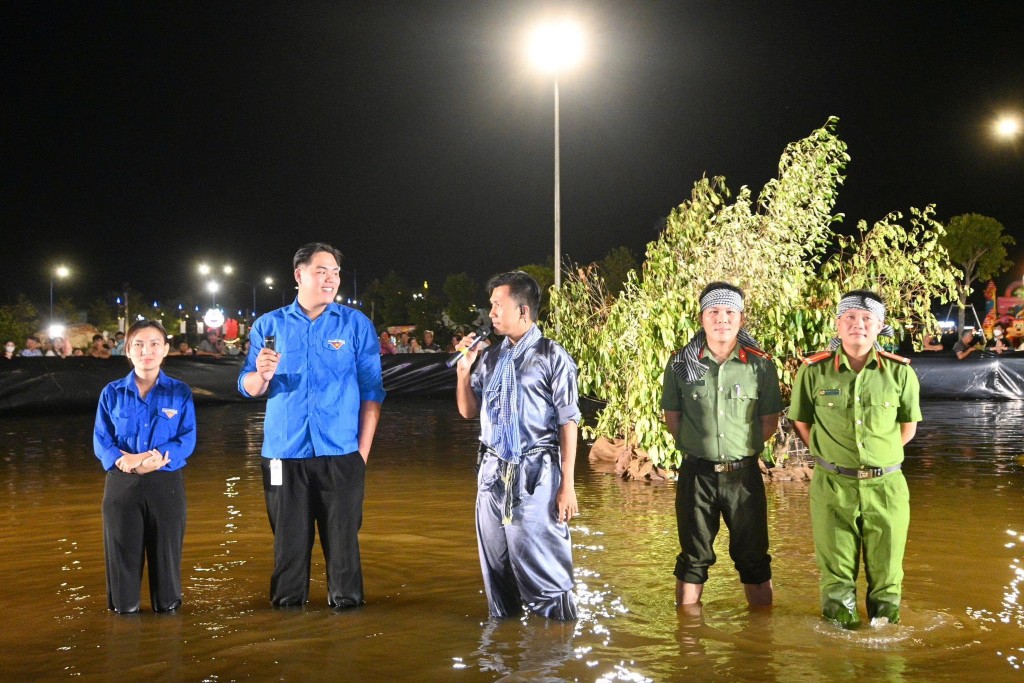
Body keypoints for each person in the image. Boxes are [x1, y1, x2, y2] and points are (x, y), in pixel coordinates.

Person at [239, 242, 384, 608]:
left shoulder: (355, 325)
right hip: (281, 456)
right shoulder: (268, 325)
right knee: (287, 550)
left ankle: (348, 624)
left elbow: (372, 392)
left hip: (342, 455)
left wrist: (360, 455)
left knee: (344, 551)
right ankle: (288, 628)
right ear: (299, 275)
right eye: (322, 271)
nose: (331, 279)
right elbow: (248, 387)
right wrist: (261, 374)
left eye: (335, 273)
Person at [788, 290, 921, 628]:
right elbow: (801, 421)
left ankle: (885, 640)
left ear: (879, 326)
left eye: (866, 319)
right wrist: (830, 454)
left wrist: (880, 459)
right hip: (832, 486)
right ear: (837, 324)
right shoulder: (814, 372)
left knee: (888, 577)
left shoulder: (900, 373)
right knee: (835, 579)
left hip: (887, 488)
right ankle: (841, 647)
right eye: (850, 317)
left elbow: (908, 429)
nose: (858, 325)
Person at [455, 270, 580, 620]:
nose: (491, 313)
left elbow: (569, 422)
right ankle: (505, 645)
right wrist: (464, 372)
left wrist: (567, 486)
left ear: (523, 310)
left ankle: (556, 643)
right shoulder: (492, 358)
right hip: (492, 474)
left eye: (498, 305)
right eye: (491, 305)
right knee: (496, 567)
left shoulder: (552, 355)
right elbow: (468, 411)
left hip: (535, 475)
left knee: (544, 567)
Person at [661, 282, 782, 609]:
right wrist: (700, 447)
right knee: (693, 559)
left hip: (744, 478)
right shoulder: (680, 364)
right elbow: (673, 417)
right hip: (695, 476)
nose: (722, 319)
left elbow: (769, 421)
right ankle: (687, 640)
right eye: (713, 311)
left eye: (730, 312)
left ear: (741, 319)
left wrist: (741, 449)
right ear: (702, 318)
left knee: (754, 559)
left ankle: (760, 642)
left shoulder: (760, 365)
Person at [92, 320, 196, 613]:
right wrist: (127, 462)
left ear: (165, 350)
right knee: (121, 562)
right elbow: (102, 440)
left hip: (166, 483)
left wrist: (149, 459)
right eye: (138, 344)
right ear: (127, 350)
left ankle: (168, 619)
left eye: (153, 344)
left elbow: (186, 439)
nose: (146, 351)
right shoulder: (111, 393)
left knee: (167, 562)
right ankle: (124, 618)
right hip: (121, 484)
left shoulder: (180, 392)